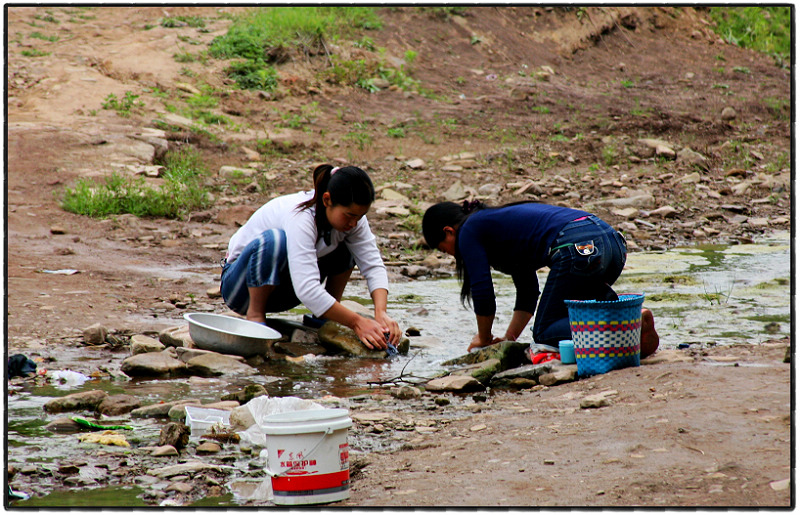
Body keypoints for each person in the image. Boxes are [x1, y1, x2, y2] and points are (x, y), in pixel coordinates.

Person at [422, 200, 659, 357]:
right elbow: (527, 292)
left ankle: (627, 324)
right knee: (577, 313)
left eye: (444, 250)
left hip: (576, 245)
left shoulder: (470, 230)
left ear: (448, 232)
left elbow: (483, 292)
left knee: (545, 332)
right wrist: (508, 339)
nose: (451, 255)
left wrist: (483, 339)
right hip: (611, 242)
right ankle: (629, 322)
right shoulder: (498, 227)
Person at [220, 164, 400, 350]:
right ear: (327, 200)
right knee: (275, 241)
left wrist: (381, 313)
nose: (354, 222)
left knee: (349, 245)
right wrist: (356, 322)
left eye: (360, 216)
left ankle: (326, 316)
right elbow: (307, 288)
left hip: (284, 292)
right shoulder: (301, 217)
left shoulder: (353, 221)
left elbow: (373, 264)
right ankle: (255, 316)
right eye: (349, 215)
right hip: (239, 290)